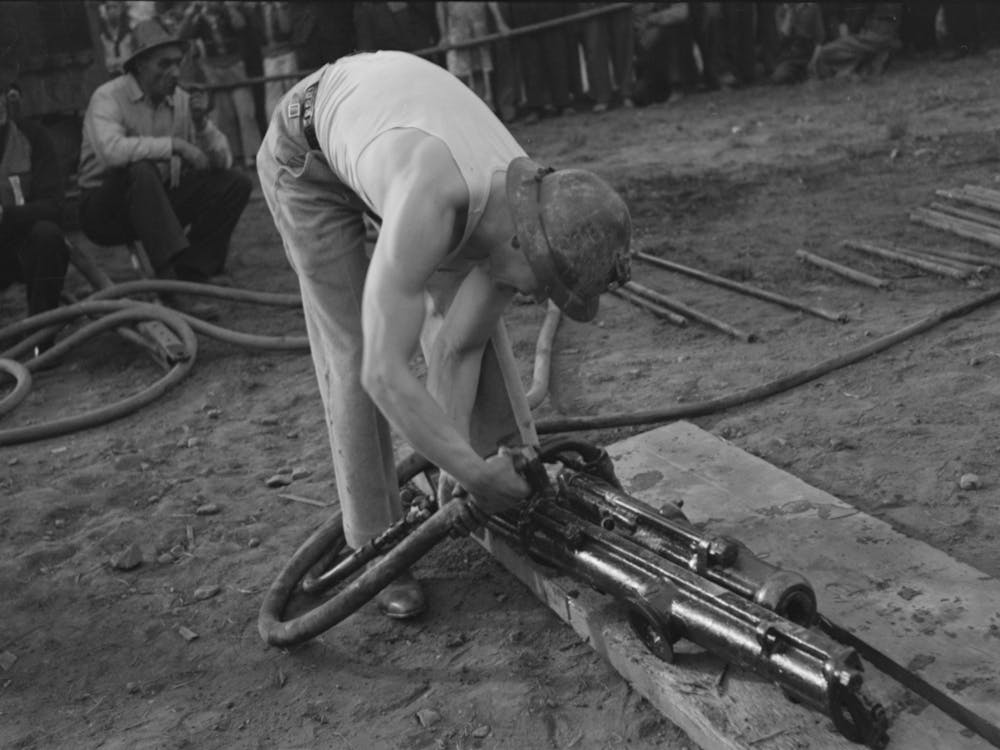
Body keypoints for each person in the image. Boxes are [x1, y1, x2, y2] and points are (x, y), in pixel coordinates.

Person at [257, 51, 631, 619]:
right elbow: (383, 372)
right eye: (546, 286)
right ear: (522, 247)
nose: (539, 299)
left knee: (479, 333)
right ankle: (376, 552)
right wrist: (474, 471)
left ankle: (509, 492)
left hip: (390, 131)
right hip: (305, 152)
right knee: (361, 348)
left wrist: (457, 471)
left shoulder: (528, 210)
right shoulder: (431, 198)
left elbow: (460, 345)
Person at [76, 19, 252, 316]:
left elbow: (220, 160)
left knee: (235, 183)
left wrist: (200, 124)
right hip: (105, 210)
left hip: (157, 204)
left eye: (178, 63)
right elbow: (112, 153)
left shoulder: (181, 100)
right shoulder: (108, 97)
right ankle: (170, 288)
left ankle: (192, 273)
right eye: (164, 64)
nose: (174, 72)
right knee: (140, 167)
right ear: (140, 65)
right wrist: (176, 146)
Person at [0, 74, 69, 344]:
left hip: (20, 250)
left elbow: (54, 205)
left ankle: (41, 337)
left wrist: (6, 215)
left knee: (48, 236)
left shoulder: (31, 137)